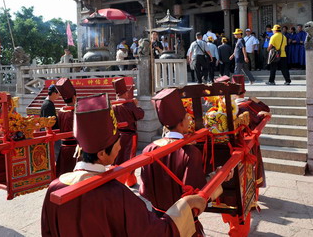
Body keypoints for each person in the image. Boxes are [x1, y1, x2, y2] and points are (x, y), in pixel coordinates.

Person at [41, 93, 207, 237]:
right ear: (101, 154)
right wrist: (185, 205)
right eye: (116, 143)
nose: (120, 147)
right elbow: (154, 232)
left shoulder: (54, 188)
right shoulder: (115, 193)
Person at [141, 88, 226, 236]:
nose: (190, 120)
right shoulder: (190, 152)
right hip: (181, 223)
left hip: (157, 219)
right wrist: (218, 178)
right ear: (181, 124)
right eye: (187, 117)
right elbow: (195, 193)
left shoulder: (149, 149)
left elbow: (145, 189)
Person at [112, 78, 144, 187]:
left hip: (117, 135)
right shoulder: (129, 105)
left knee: (118, 157)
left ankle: (125, 180)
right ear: (125, 93)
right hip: (130, 136)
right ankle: (124, 182)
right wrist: (136, 105)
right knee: (130, 159)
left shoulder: (113, 105)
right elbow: (140, 114)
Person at [55, 78, 78, 176]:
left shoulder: (60, 111)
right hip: (75, 149)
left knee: (63, 174)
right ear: (74, 98)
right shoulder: (76, 111)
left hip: (63, 147)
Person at [40, 84, 60, 159]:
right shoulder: (47, 105)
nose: (58, 96)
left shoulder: (49, 103)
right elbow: (47, 122)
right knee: (55, 156)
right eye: (58, 94)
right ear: (54, 93)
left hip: (53, 133)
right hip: (51, 134)